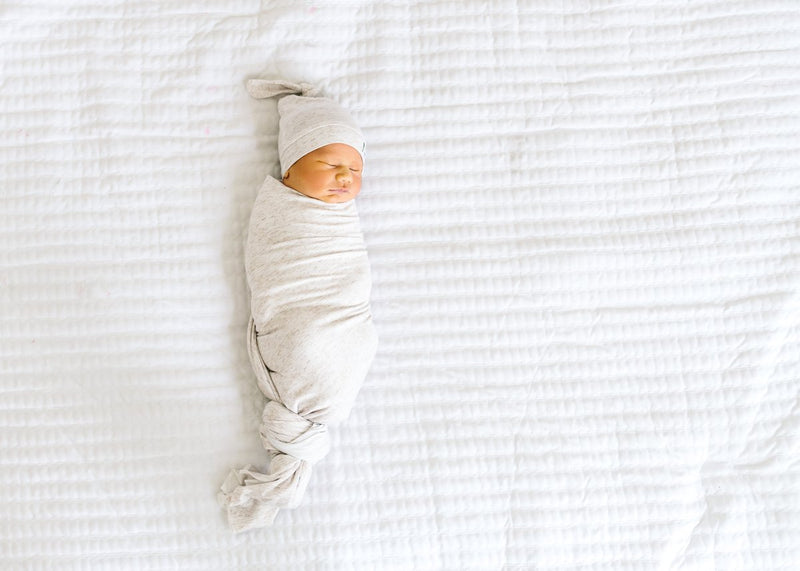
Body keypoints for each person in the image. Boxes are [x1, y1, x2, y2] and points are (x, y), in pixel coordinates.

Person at [218, 79, 378, 532]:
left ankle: (295, 444)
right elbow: (272, 269)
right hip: (304, 324)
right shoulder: (281, 211)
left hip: (345, 321)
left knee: (324, 344)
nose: (346, 177)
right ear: (290, 170)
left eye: (356, 169)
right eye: (331, 164)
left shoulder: (341, 220)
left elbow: (348, 273)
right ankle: (296, 439)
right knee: (306, 343)